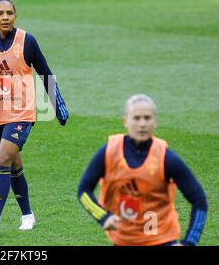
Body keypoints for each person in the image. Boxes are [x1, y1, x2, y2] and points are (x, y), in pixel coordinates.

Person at [0, 0, 69, 237]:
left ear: (15, 16)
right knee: (13, 166)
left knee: (2, 160)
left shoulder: (27, 41)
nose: (5, 17)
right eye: (0, 13)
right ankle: (28, 215)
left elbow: (45, 73)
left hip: (22, 114)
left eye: (9, 13)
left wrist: (58, 106)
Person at [77, 94, 208, 246]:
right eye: (136, 118)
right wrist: (103, 217)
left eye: (147, 118)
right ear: (126, 121)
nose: (142, 124)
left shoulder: (166, 158)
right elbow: (84, 190)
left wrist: (189, 243)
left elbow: (199, 201)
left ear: (155, 122)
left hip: (161, 240)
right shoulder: (109, 152)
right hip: (124, 241)